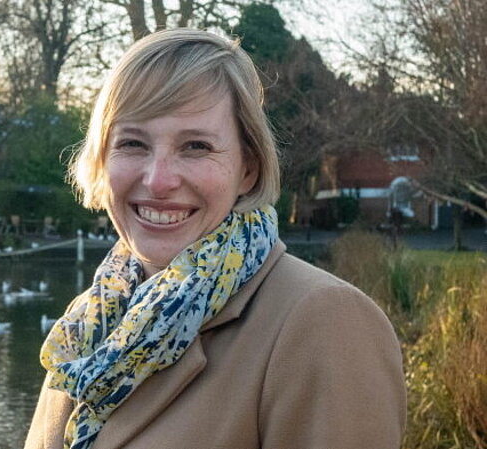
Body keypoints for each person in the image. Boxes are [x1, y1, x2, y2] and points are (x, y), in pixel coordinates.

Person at [25, 29, 405, 449]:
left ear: (248, 169)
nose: (159, 180)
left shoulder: (323, 322)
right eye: (132, 143)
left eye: (196, 146)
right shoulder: (87, 323)